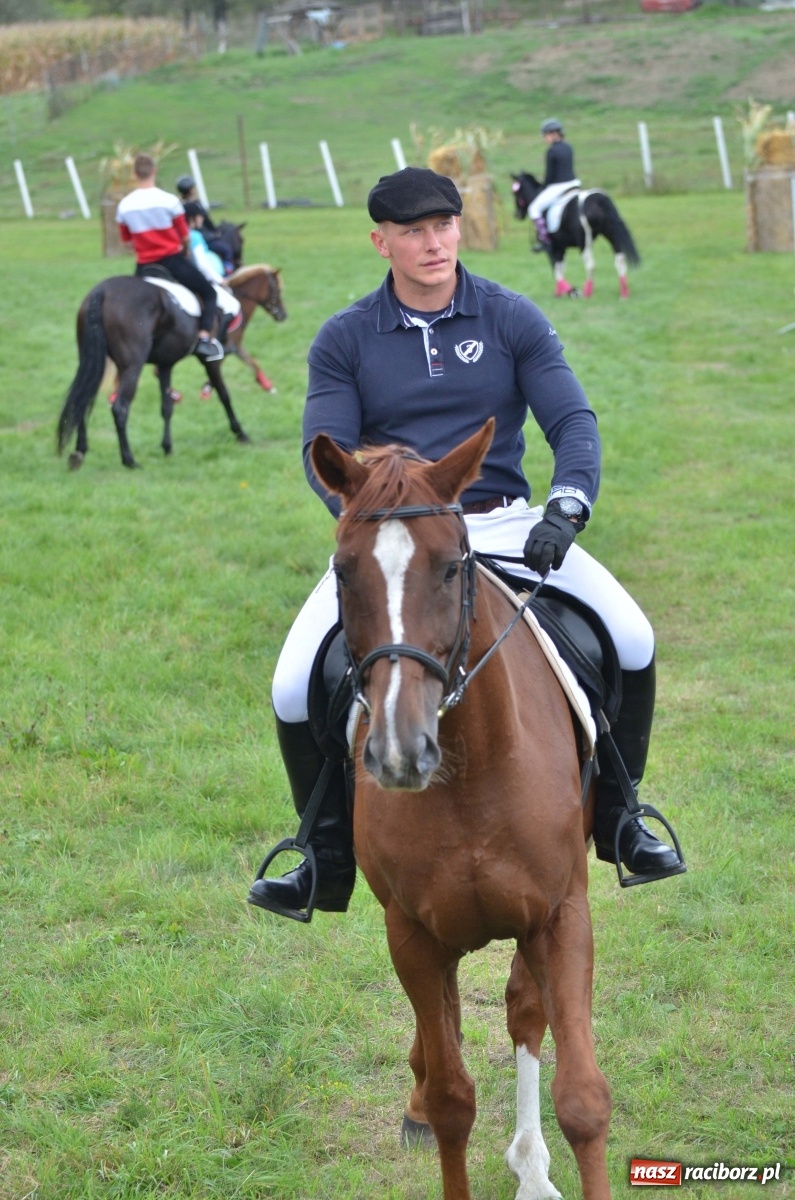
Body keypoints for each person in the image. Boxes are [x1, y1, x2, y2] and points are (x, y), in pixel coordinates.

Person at [247, 166, 685, 921]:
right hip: (391, 539)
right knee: (293, 681)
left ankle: (620, 818)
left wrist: (566, 507)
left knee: (632, 635)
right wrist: (368, 520)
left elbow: (572, 423)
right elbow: (328, 457)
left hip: (505, 521)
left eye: (443, 225)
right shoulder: (345, 338)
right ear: (380, 240)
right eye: (412, 231)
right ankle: (322, 854)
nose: (432, 243)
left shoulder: (509, 317)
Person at [116, 154, 223, 362]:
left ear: (134, 174)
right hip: (172, 261)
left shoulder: (124, 206)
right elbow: (184, 236)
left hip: (144, 266)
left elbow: (126, 241)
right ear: (154, 171)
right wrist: (182, 249)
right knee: (209, 293)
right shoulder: (169, 201)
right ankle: (203, 339)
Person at [528, 118, 579, 251]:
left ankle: (545, 239)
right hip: (574, 183)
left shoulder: (551, 151)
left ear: (552, 134)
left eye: (546, 135)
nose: (545, 138)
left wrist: (543, 188)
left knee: (534, 208)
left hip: (559, 187)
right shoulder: (568, 147)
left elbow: (550, 176)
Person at [175, 174, 235, 273]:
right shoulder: (195, 205)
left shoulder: (177, 204)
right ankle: (228, 271)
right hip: (203, 237)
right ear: (190, 189)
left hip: (183, 236)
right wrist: (215, 232)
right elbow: (207, 220)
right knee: (227, 249)